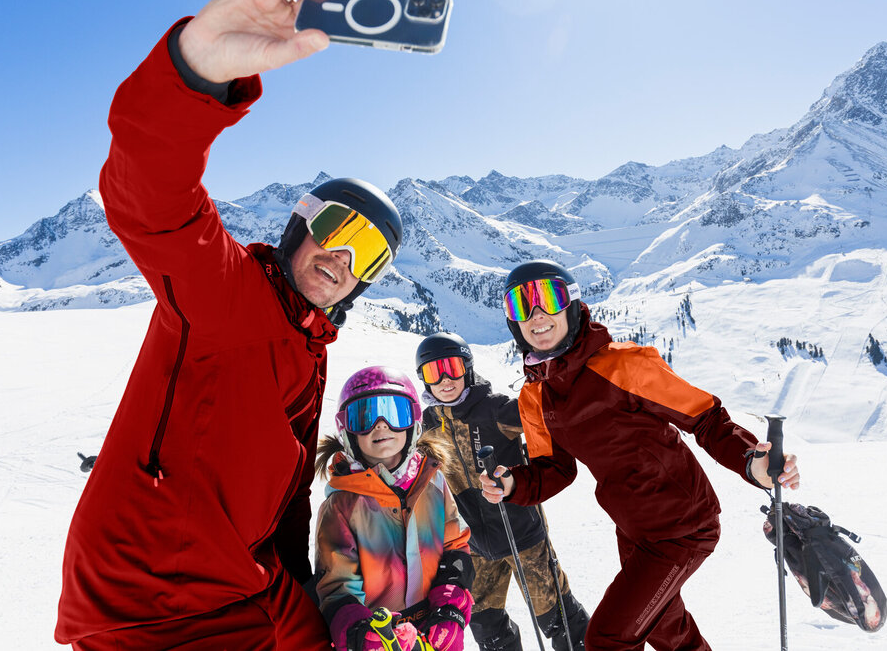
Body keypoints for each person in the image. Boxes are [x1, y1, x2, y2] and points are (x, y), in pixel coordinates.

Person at [54, 0, 405, 649]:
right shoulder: (228, 289)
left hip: (244, 576)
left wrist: (306, 589)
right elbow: (153, 200)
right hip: (158, 593)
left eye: (369, 254)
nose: (343, 258)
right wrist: (193, 73)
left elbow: (279, 497)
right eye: (337, 229)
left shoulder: (307, 349)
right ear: (300, 227)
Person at [479, 260, 801, 651]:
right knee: (668, 629)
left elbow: (705, 418)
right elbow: (556, 469)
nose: (537, 315)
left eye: (548, 298)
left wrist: (752, 460)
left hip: (681, 525)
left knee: (608, 639)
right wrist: (515, 483)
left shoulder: (624, 365)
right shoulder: (536, 396)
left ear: (572, 306)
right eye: (520, 306)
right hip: (633, 530)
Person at [416, 332, 590, 650]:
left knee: (558, 618)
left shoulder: (495, 410)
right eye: (432, 372)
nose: (443, 379)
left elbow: (545, 420)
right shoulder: (431, 422)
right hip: (476, 546)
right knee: (487, 630)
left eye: (451, 367)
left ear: (466, 368)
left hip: (521, 535)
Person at [314, 366, 474, 651]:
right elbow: (336, 588)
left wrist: (450, 609)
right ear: (347, 430)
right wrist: (362, 633)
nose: (381, 424)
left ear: (412, 421)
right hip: (384, 636)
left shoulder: (432, 482)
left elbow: (455, 547)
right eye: (364, 417)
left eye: (394, 412)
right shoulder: (342, 503)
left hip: (434, 629)